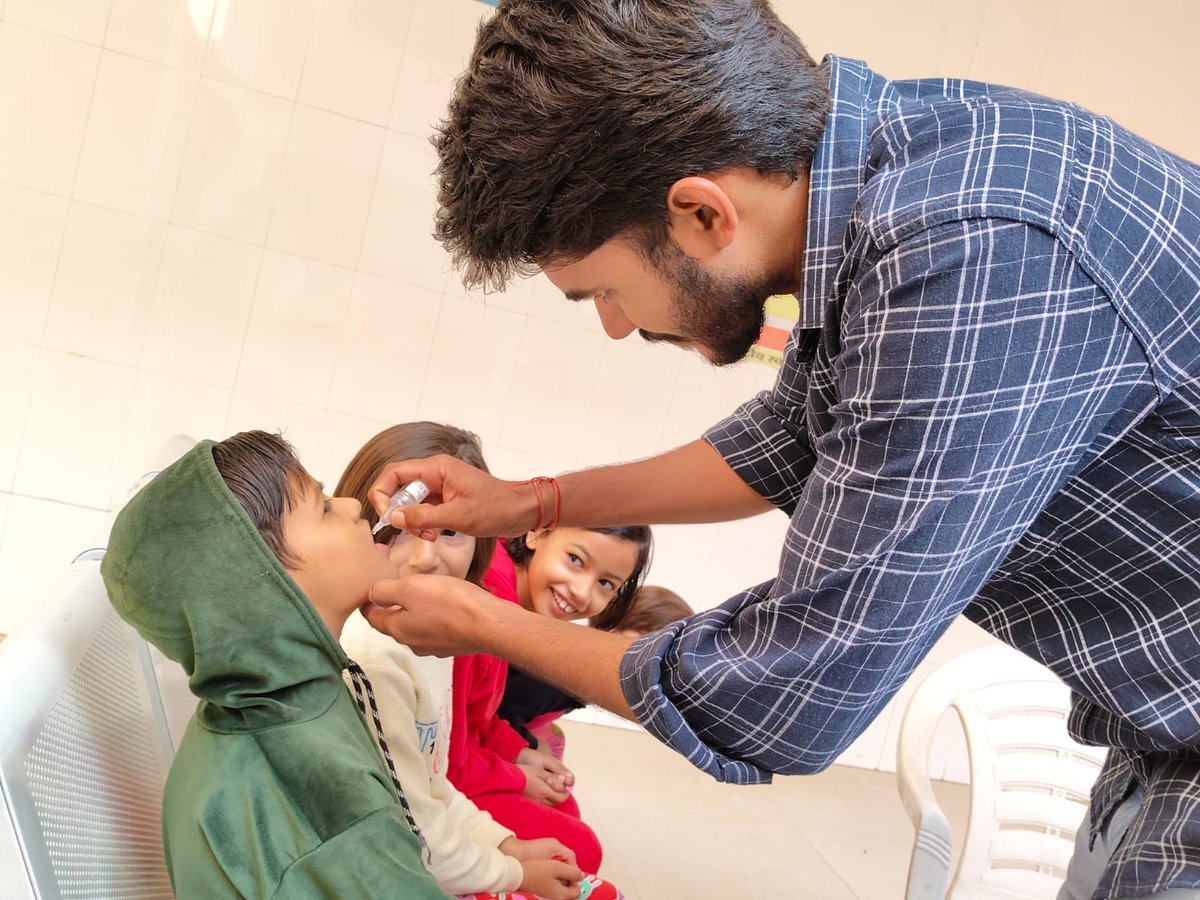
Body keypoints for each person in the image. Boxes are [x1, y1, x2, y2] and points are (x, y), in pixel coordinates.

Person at [362, 2, 1200, 898]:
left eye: (602, 291)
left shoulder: (975, 257)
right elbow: (793, 436)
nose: (615, 327)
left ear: (700, 213)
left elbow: (789, 691)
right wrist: (528, 504)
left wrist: (480, 620)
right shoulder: (898, 174)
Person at [98, 432, 451, 899]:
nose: (349, 506)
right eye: (323, 507)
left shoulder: (255, 711)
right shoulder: (325, 800)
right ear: (261, 584)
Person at [336, 423, 619, 899]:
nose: (426, 559)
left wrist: (505, 844)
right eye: (401, 526)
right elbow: (411, 826)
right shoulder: (375, 654)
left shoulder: (434, 637)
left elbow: (434, 781)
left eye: (451, 532)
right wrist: (514, 871)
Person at [496, 526, 652, 751]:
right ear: (536, 533)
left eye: (605, 583)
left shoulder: (526, 623)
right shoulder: (488, 593)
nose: (582, 592)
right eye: (575, 560)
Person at [500, 583, 687, 759]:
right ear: (611, 629)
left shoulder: (582, 680)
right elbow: (494, 718)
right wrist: (532, 746)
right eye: (636, 652)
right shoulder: (561, 679)